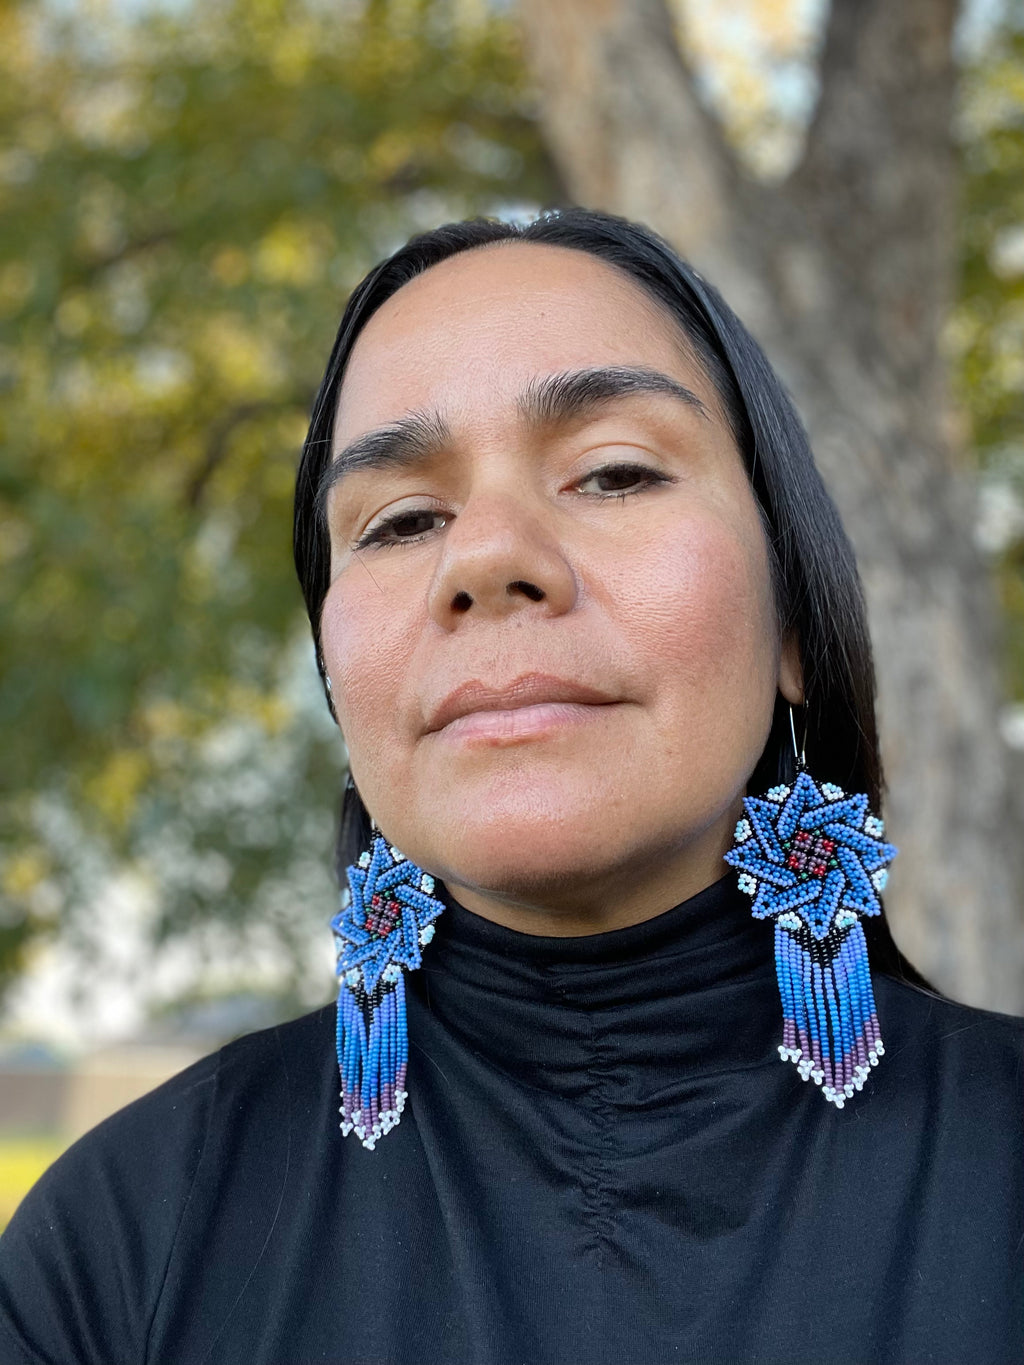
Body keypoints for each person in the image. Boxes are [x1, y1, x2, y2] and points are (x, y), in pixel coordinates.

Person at [1, 208, 1022, 1365]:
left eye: (613, 472)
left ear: (792, 616)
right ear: (343, 684)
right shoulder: (120, 1249)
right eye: (401, 521)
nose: (486, 557)